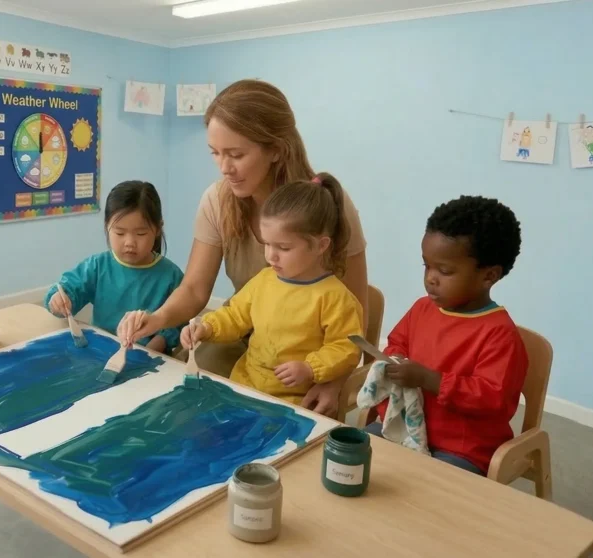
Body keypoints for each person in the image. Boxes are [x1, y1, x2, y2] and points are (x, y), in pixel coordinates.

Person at [117, 79, 369, 415]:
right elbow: (194, 289)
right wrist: (159, 318)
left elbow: (352, 323)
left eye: (236, 154)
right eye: (215, 153)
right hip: (247, 345)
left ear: (276, 149)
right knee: (187, 399)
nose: (224, 168)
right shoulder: (218, 200)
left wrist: (332, 379)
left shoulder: (326, 206)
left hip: (305, 362)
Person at [367, 196, 528, 475]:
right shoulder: (422, 308)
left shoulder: (499, 334)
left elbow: (493, 400)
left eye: (444, 270)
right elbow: (398, 341)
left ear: (489, 276)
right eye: (426, 266)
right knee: (356, 456)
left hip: (462, 449)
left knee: (429, 496)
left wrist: (430, 380)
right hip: (406, 427)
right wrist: (394, 358)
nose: (430, 277)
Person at [179, 174, 363, 404]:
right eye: (267, 244)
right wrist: (206, 328)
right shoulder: (264, 280)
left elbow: (346, 348)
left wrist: (310, 368)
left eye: (283, 247)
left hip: (295, 401)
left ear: (321, 245)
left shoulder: (335, 298)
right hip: (244, 386)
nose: (270, 255)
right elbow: (235, 316)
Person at [45, 181, 185, 354]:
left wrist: (157, 344)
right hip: (101, 353)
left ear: (157, 229)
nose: (129, 243)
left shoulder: (171, 275)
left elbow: (179, 321)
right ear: (107, 227)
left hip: (152, 359)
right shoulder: (97, 266)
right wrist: (58, 299)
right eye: (119, 233)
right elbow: (68, 289)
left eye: (140, 234)